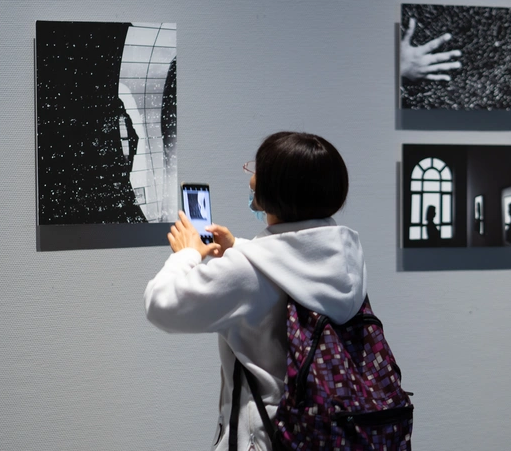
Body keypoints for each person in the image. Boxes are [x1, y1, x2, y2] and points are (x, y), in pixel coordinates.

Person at [144, 132, 367, 451]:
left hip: (265, 439)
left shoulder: (245, 272)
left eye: (258, 169)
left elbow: (161, 305)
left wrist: (187, 254)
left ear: (275, 188)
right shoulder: (347, 257)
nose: (251, 176)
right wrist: (241, 248)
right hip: (331, 434)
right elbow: (291, 262)